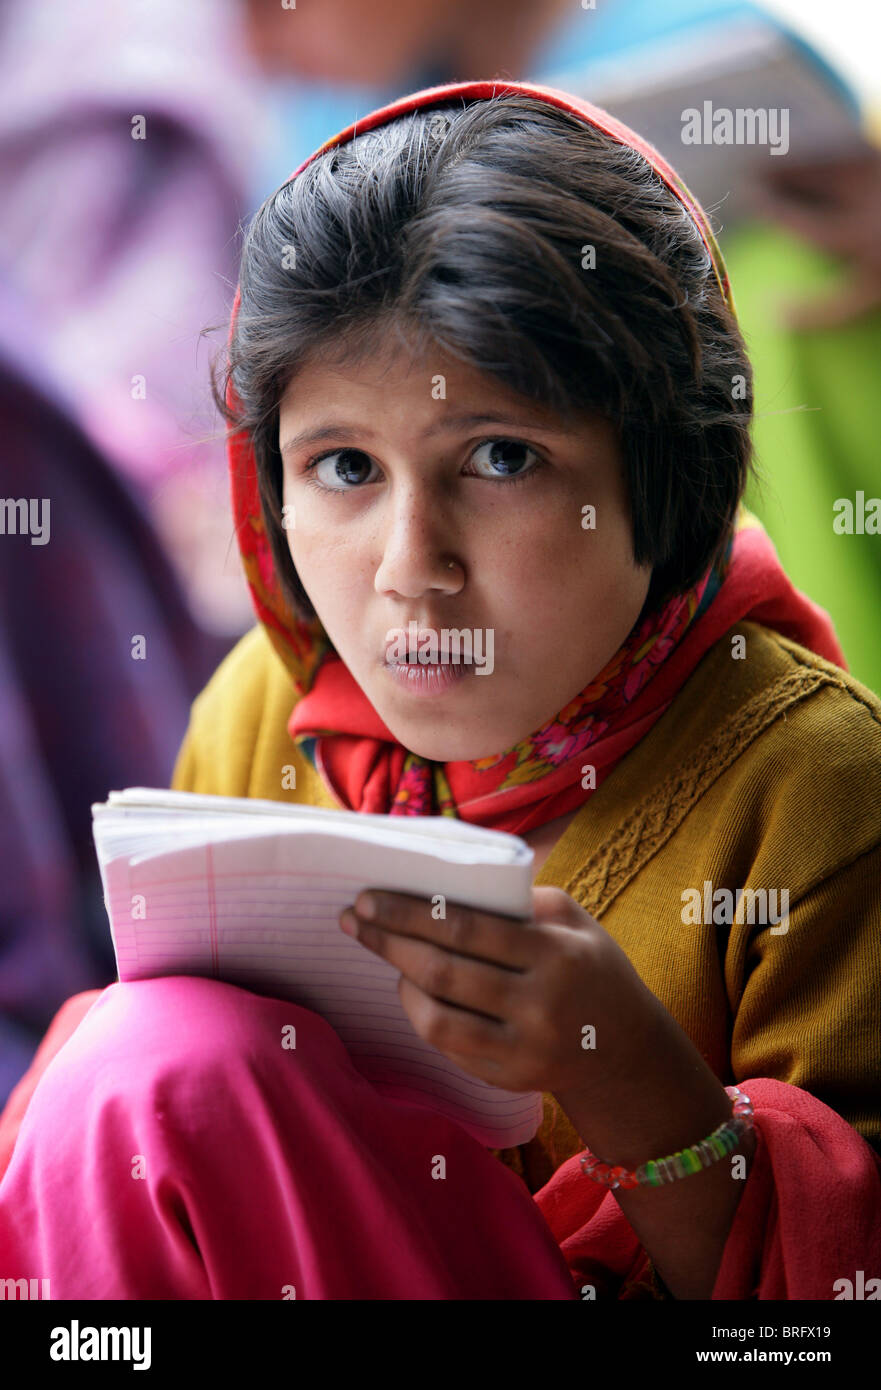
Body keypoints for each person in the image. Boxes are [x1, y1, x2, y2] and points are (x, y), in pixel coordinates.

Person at [1, 80, 879, 1301]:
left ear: (666, 476)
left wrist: (627, 1078)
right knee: (135, 1058)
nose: (412, 567)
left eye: (502, 457)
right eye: (344, 466)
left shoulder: (817, 794)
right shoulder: (270, 709)